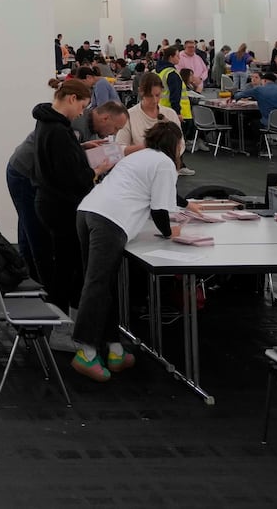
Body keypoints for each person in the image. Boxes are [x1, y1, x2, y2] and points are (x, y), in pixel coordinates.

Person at [70, 121, 182, 382]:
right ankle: (86, 351)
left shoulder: (140, 156)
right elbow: (160, 210)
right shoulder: (165, 163)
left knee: (102, 283)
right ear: (175, 145)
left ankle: (114, 349)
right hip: (110, 221)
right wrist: (169, 233)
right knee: (98, 284)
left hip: (88, 211)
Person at [9, 78, 96, 311]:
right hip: (49, 198)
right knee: (47, 248)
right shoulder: (57, 129)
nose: (81, 113)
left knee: (35, 238)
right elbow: (69, 173)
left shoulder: (49, 122)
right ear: (72, 99)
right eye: (82, 106)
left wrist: (78, 150)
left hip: (44, 195)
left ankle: (42, 293)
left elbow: (61, 158)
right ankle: (50, 302)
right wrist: (95, 172)